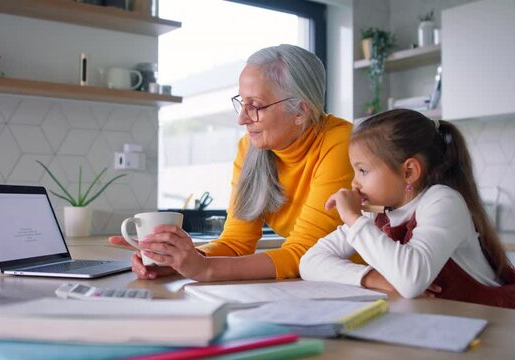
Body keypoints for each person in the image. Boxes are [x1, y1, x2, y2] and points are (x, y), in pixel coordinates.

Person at [110, 44, 359, 281]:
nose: (242, 119)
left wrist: (205, 269)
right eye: (242, 102)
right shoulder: (251, 148)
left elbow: (305, 252)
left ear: (301, 111)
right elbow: (235, 242)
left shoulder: (342, 144)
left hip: (362, 282)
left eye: (255, 106)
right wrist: (176, 261)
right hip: (318, 280)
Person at [299, 109, 515, 310]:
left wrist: (353, 218)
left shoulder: (443, 202)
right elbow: (310, 262)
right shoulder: (376, 211)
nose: (354, 184)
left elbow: (410, 281)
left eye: (363, 171)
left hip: (495, 326)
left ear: (409, 172)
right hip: (445, 324)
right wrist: (372, 278)